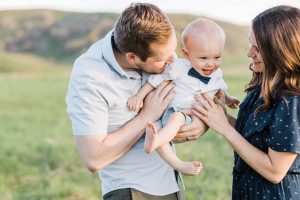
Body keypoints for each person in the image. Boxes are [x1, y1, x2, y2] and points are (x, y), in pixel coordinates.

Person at [66, 3, 207, 200]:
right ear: (132, 57)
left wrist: (201, 124)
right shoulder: (90, 76)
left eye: (172, 53)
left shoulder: (157, 52)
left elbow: (192, 91)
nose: (172, 61)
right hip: (131, 191)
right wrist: (146, 117)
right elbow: (93, 158)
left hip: (170, 184)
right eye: (163, 59)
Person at [192, 5, 300, 199]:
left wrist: (224, 128)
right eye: (250, 44)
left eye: (257, 49)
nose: (249, 53)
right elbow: (251, 138)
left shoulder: (291, 99)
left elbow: (275, 172)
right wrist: (221, 116)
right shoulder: (261, 86)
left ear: (279, 52)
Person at [127, 18, 240, 176]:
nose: (211, 64)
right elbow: (156, 80)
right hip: (174, 111)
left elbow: (220, 89)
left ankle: (158, 142)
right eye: (203, 58)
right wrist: (139, 96)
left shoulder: (217, 74)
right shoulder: (178, 67)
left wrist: (229, 99)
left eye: (217, 57)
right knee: (161, 125)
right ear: (186, 54)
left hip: (194, 114)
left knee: (176, 121)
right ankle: (175, 160)